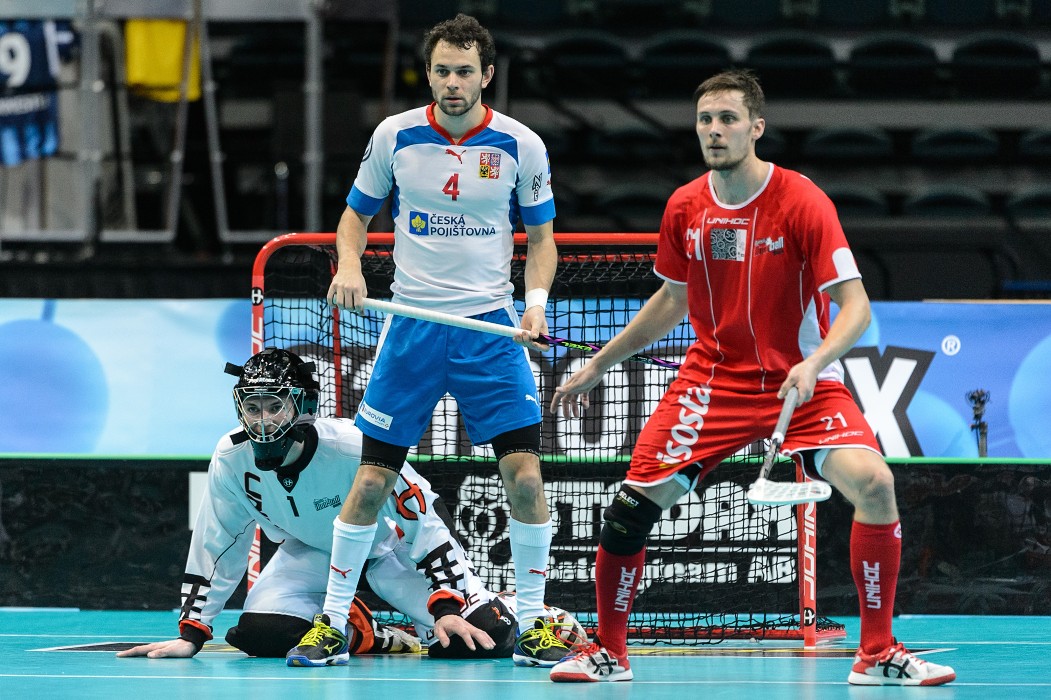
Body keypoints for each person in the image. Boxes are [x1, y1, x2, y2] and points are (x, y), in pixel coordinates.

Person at [546, 69, 956, 687]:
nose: (714, 130)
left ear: (756, 127)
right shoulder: (685, 206)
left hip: (802, 383)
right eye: (705, 120)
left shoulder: (802, 201)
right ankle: (609, 651)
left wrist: (814, 363)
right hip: (713, 383)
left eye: (728, 119)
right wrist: (601, 362)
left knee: (875, 484)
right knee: (630, 509)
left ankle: (877, 654)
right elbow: (673, 300)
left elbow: (855, 306)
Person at [301, 13, 566, 668]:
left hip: (490, 331)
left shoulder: (520, 145)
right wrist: (349, 265)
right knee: (370, 481)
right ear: (429, 73)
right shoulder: (394, 136)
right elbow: (354, 218)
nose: (453, 83)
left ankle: (534, 623)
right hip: (412, 328)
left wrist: (534, 306)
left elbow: (542, 241)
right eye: (442, 71)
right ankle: (330, 623)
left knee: (524, 476)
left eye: (464, 72)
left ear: (487, 75)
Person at [117, 348, 549, 664]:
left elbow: (425, 521)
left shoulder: (352, 447)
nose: (262, 420)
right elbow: (218, 542)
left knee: (482, 637)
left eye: (275, 406)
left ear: (303, 406)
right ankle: (369, 632)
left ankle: (521, 608)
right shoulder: (231, 457)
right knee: (261, 633)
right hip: (311, 554)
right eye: (252, 407)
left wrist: (446, 606)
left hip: (390, 553)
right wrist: (192, 633)